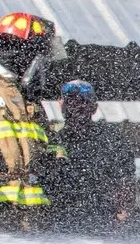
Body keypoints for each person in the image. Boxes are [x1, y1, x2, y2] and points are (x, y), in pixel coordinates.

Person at [0, 12, 55, 232]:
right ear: (18, 52)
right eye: (38, 54)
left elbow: (48, 155)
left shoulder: (26, 101)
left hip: (31, 226)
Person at [44, 81, 134, 234]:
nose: (76, 108)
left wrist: (123, 212)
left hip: (103, 221)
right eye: (71, 102)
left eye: (82, 102)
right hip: (60, 222)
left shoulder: (112, 138)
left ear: (94, 107)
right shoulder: (51, 140)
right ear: (61, 105)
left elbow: (127, 180)